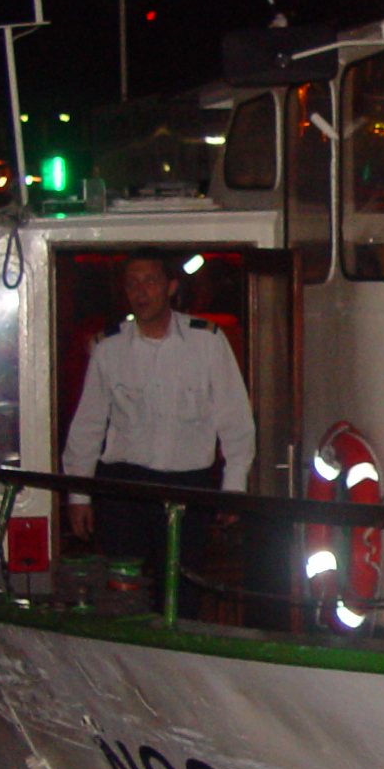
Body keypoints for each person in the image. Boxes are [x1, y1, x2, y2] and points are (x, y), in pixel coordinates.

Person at [59, 253, 254, 603]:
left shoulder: (207, 342)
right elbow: (87, 425)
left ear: (171, 288)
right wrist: (78, 495)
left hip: (187, 487)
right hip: (124, 488)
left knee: (181, 593)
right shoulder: (109, 347)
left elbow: (235, 418)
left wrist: (234, 486)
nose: (140, 291)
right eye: (132, 283)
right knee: (122, 592)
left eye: (149, 281)